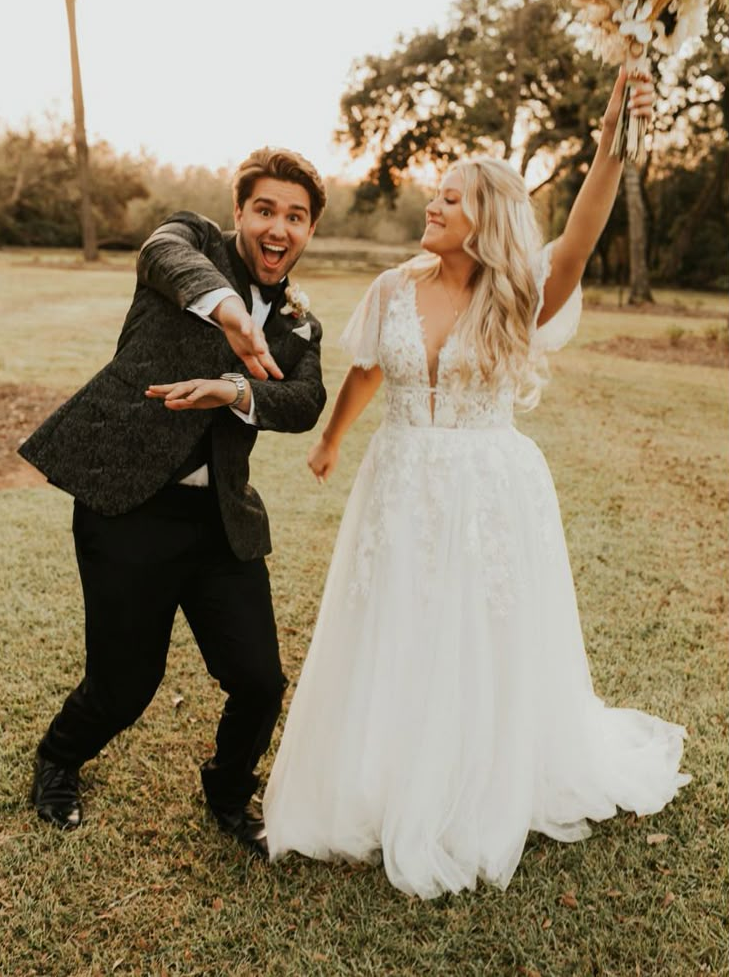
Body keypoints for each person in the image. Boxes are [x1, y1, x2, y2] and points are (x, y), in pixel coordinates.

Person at [258, 71, 691, 897]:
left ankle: (479, 774)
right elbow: (366, 372)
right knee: (396, 622)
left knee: (477, 632)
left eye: (451, 198)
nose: (435, 205)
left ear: (485, 217)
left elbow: (583, 230)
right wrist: (331, 442)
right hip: (399, 478)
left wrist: (609, 141)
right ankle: (385, 771)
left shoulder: (519, 291)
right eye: (436, 193)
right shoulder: (394, 286)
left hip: (489, 486)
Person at [19, 147, 327, 858]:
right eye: (265, 210)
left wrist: (237, 389)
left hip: (220, 520)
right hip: (128, 506)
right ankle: (58, 760)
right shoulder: (189, 243)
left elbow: (305, 399)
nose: (279, 228)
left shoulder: (300, 322)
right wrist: (226, 312)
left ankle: (226, 792)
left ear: (309, 229)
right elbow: (163, 251)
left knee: (259, 679)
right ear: (240, 213)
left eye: (296, 216)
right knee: (126, 685)